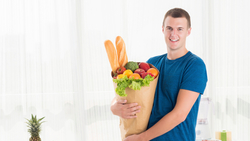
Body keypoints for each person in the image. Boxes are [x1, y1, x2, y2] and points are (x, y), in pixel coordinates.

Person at [111, 8, 208, 141]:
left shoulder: (194, 65)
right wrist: (114, 106)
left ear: (188, 32)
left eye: (180, 29)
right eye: (169, 28)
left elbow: (180, 114)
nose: (173, 34)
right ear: (163, 29)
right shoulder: (151, 64)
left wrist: (141, 138)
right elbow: (130, 91)